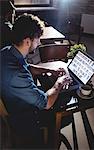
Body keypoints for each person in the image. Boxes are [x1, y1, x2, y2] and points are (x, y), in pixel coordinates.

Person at [0, 13, 72, 148]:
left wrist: (49, 71)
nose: (39, 43)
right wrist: (60, 82)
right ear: (28, 41)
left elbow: (27, 66)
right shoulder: (18, 75)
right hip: (23, 117)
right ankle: (51, 141)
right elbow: (46, 103)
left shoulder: (7, 51)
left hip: (13, 101)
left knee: (50, 90)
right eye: (38, 39)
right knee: (65, 111)